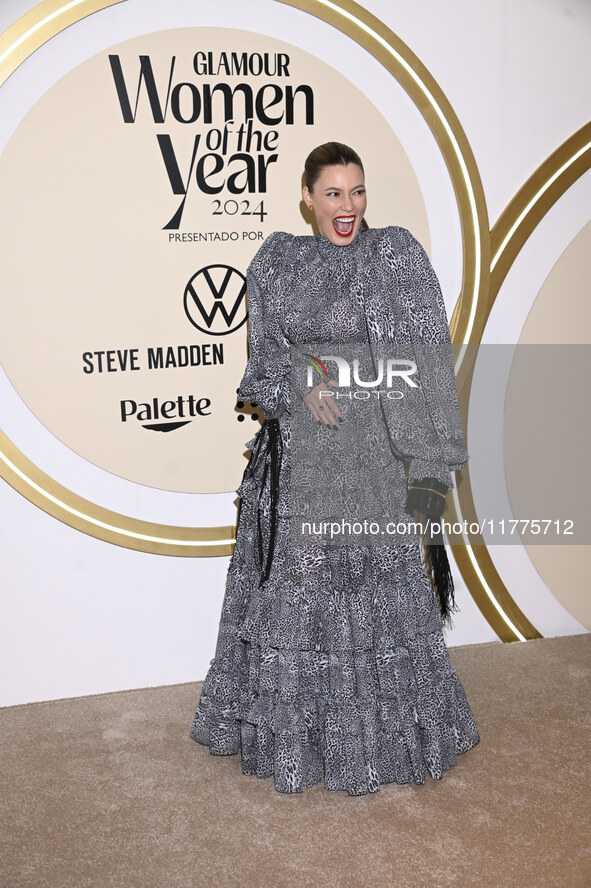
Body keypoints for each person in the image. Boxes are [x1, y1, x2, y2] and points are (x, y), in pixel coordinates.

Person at [190, 142, 480, 795]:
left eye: (356, 192)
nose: (346, 207)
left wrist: (431, 471)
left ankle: (377, 745)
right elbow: (262, 361)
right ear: (307, 197)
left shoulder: (394, 258)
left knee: (370, 597)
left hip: (370, 459)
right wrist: (303, 378)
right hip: (298, 463)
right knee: (300, 600)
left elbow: (424, 362)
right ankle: (304, 746)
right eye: (332, 194)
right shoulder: (279, 263)